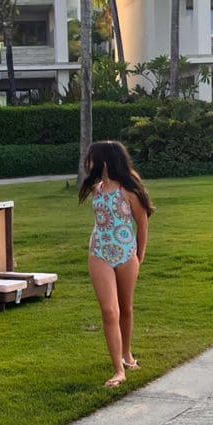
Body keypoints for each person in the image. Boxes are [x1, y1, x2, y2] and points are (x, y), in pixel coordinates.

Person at [79, 141, 153, 388]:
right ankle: (118, 370)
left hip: (126, 254)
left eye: (91, 158)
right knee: (110, 311)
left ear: (105, 160)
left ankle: (127, 354)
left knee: (126, 308)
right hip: (99, 253)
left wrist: (139, 257)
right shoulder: (96, 189)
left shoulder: (129, 190)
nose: (88, 163)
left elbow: (142, 225)